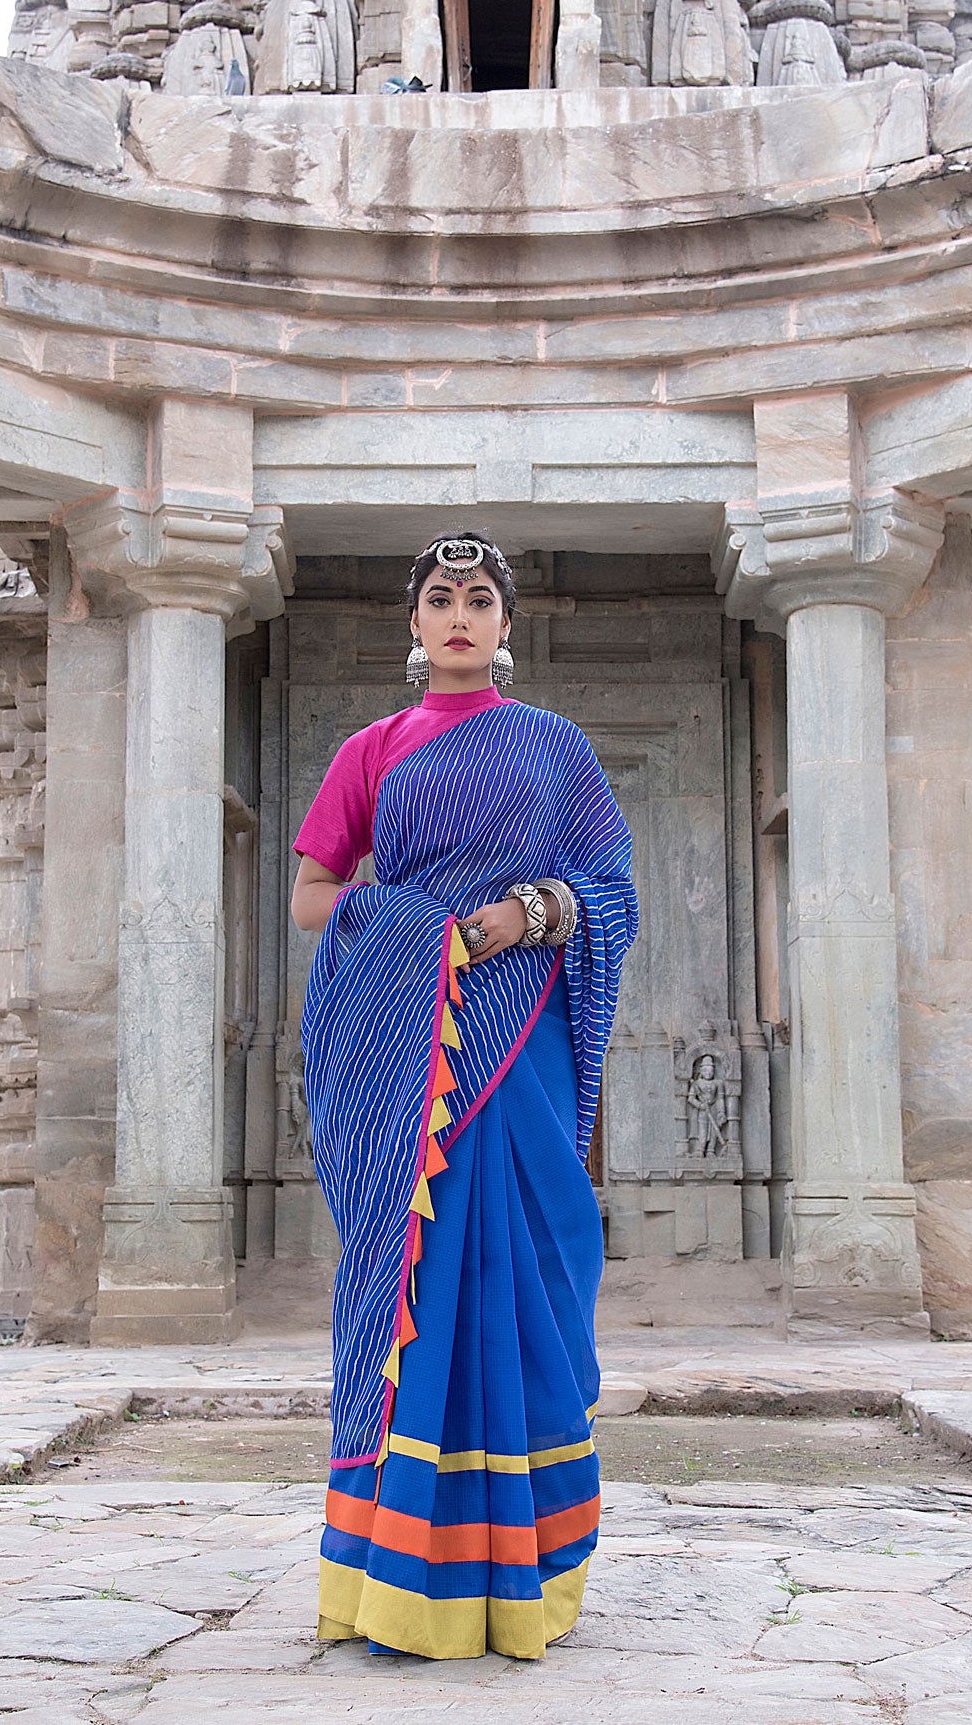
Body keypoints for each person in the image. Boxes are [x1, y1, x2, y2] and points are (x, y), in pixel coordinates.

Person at [291, 533, 638, 1660]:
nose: (458, 614)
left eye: (479, 598)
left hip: (517, 1040)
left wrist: (524, 914)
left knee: (531, 1263)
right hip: (407, 1053)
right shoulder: (371, 749)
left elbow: (612, 891)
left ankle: (524, 1570)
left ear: (505, 622)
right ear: (414, 622)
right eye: (439, 598)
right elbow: (311, 897)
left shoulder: (556, 749)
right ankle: (399, 1584)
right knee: (418, 1280)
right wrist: (419, 926)